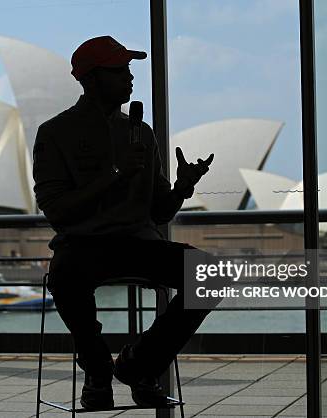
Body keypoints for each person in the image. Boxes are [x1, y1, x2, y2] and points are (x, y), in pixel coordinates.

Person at [32, 35, 215, 409]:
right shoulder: (55, 133)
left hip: (138, 243)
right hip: (83, 244)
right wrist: (115, 172)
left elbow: (159, 212)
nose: (129, 79)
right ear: (90, 78)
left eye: (129, 70)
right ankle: (97, 372)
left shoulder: (142, 134)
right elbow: (57, 211)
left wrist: (181, 188)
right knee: (66, 278)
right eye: (119, 71)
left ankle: (139, 364)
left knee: (209, 273)